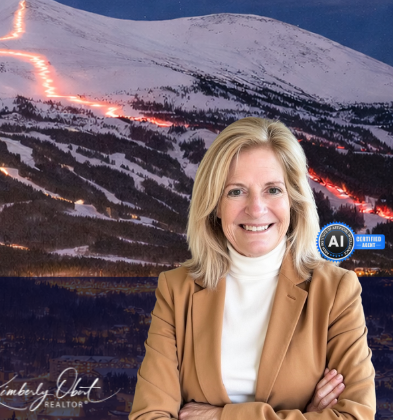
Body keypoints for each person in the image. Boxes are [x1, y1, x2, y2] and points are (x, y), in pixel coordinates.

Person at [130, 117, 376, 420]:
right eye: (236, 191)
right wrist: (303, 415)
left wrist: (222, 416)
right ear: (215, 205)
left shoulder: (336, 291)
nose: (256, 208)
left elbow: (355, 416)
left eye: (273, 189)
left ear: (293, 200)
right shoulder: (176, 290)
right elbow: (148, 416)